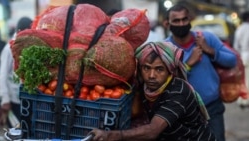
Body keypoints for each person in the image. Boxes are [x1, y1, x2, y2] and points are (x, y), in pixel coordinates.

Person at [89, 41, 216, 141]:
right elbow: (135, 112)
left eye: (159, 69)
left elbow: (152, 131)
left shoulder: (178, 92)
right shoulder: (145, 87)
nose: (151, 75)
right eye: (146, 68)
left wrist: (109, 136)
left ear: (169, 71)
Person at [163, 4, 237, 141]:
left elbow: (232, 60)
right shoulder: (166, 48)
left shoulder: (206, 38)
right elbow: (165, 82)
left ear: (190, 19)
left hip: (212, 107)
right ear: (167, 23)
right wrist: (188, 64)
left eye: (184, 19)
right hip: (183, 112)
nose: (181, 24)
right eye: (176, 21)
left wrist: (209, 50)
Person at [0, 17, 32, 127]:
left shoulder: (27, 47)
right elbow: (2, 75)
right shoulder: (9, 48)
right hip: (12, 100)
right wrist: (5, 100)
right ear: (20, 32)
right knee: (15, 132)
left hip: (25, 99)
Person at [233, 11, 249, 93]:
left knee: (243, 78)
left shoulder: (239, 30)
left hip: (242, 55)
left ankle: (243, 100)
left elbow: (236, 46)